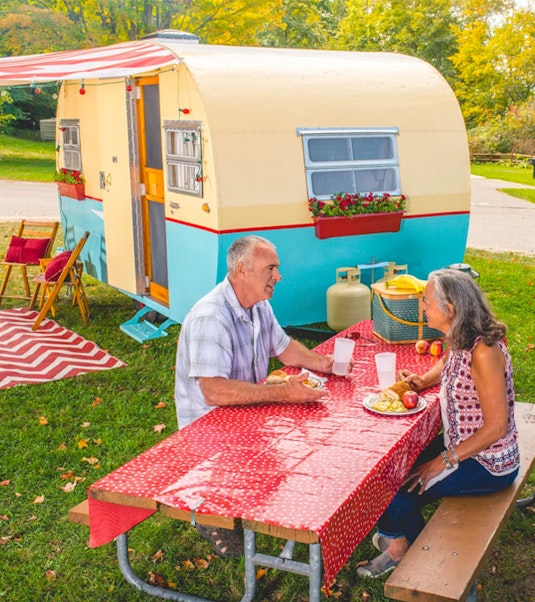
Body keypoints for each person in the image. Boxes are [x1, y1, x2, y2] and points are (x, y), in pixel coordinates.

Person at [174, 235, 334, 556]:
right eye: (271, 268)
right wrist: (280, 393)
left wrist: (325, 363)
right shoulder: (211, 316)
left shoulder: (259, 305)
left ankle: (272, 501)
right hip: (208, 428)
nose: (279, 276)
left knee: (314, 434)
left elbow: (284, 347)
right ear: (242, 270)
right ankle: (211, 515)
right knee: (298, 430)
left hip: (246, 410)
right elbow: (214, 391)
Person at [357, 269, 520, 578]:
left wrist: (441, 462)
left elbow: (497, 427)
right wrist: (423, 380)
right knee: (388, 468)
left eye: (426, 301)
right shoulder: (463, 335)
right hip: (462, 445)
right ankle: (399, 538)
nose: (422, 307)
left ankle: (405, 551)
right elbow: (447, 361)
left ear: (451, 309)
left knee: (396, 494)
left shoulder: (483, 352)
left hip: (489, 462)